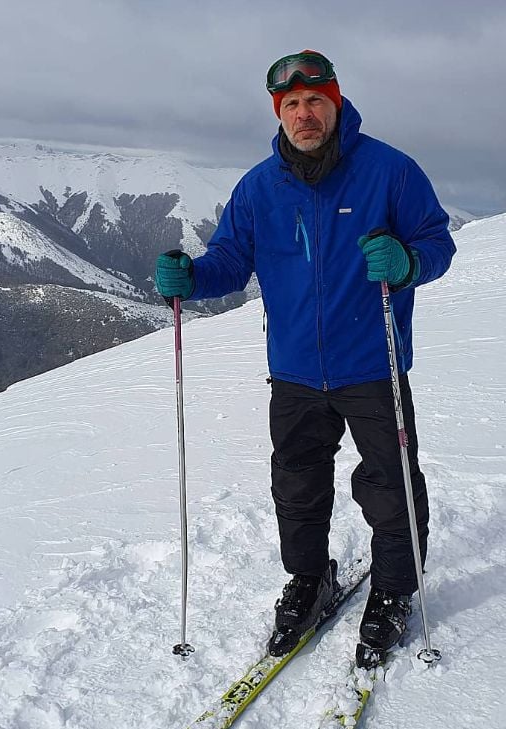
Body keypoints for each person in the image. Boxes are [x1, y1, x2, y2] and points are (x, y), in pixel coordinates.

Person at [155, 51, 455, 655]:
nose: (304, 113)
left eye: (315, 100)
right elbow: (231, 263)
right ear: (279, 113)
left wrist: (409, 262)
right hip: (293, 371)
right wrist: (191, 277)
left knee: (390, 483)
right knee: (297, 485)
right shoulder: (259, 188)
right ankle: (309, 578)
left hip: (374, 364)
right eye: (291, 104)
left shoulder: (390, 171)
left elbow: (436, 242)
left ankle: (394, 589)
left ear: (335, 103)